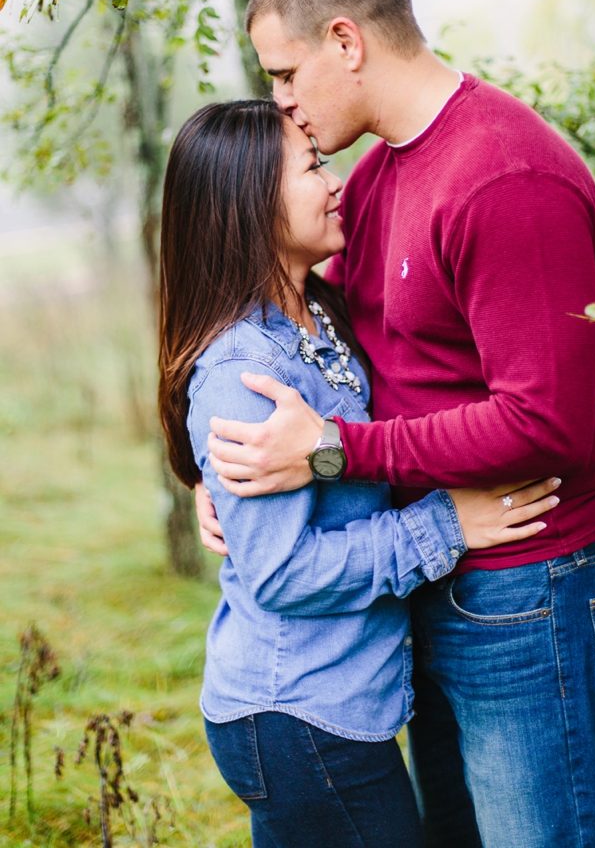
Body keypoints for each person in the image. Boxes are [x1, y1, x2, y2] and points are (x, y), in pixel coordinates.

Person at [197, 0, 595, 848]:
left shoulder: (505, 178)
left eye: (286, 72)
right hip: (437, 573)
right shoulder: (372, 185)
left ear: (345, 41)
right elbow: (307, 354)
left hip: (538, 577)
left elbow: (547, 422)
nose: (280, 101)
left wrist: (328, 451)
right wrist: (235, 476)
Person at [158, 98, 560, 848]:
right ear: (250, 203)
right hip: (297, 716)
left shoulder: (317, 313)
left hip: (339, 703)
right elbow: (281, 574)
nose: (333, 181)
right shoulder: (245, 370)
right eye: (313, 167)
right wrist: (446, 524)